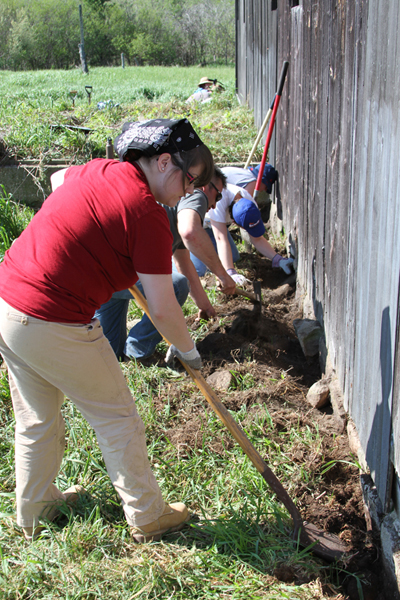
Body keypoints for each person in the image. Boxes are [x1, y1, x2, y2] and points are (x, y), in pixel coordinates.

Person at [0, 117, 214, 544]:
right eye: (190, 180)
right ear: (164, 161)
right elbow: (163, 305)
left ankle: (35, 511)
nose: (189, 191)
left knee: (37, 420)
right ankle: (148, 515)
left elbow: (60, 179)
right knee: (117, 416)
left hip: (8, 303)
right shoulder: (148, 215)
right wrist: (188, 351)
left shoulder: (100, 169)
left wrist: (89, 230)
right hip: (54, 319)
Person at [95, 166, 236, 362]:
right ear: (206, 186)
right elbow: (190, 232)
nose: (215, 205)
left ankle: (129, 354)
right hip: (116, 272)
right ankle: (138, 352)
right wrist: (223, 275)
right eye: (217, 196)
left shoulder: (175, 210)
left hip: (102, 271)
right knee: (175, 286)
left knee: (110, 355)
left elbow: (184, 264)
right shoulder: (196, 194)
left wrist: (205, 306)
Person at [190, 182, 294, 284]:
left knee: (234, 257)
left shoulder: (249, 203)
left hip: (213, 225)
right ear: (233, 222)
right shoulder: (218, 203)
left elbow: (257, 238)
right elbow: (221, 239)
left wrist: (277, 259)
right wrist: (230, 272)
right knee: (199, 270)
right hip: (194, 227)